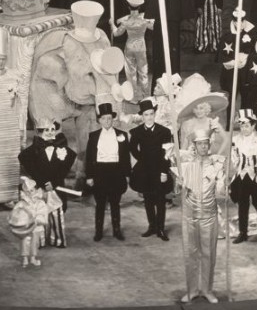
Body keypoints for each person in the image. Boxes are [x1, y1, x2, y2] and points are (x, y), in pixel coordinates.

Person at [172, 124, 226, 303]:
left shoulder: (216, 164)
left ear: (209, 144)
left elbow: (221, 192)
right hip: (190, 215)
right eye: (199, 144)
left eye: (205, 143)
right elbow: (178, 191)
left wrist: (224, 184)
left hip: (209, 216)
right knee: (190, 253)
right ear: (194, 145)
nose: (203, 146)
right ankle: (192, 289)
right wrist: (178, 184)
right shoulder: (186, 165)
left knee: (209, 253)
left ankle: (207, 290)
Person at [17, 119, 74, 247]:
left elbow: (64, 170)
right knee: (39, 213)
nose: (50, 132)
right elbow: (25, 160)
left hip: (56, 187)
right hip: (40, 187)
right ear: (41, 132)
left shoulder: (62, 148)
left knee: (56, 213)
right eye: (47, 130)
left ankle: (57, 238)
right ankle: (40, 240)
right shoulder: (35, 148)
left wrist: (53, 183)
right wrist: (42, 183)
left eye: (52, 130)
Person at [84, 103, 131, 241]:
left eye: (109, 118)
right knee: (100, 204)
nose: (107, 121)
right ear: (99, 120)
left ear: (113, 119)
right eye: (104, 118)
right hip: (99, 171)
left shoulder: (122, 135)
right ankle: (98, 231)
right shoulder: (93, 136)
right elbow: (89, 157)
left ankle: (117, 230)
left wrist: (127, 174)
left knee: (115, 203)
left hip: (116, 172)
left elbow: (126, 157)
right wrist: (89, 176)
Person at [128, 98, 174, 241]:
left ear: (155, 114)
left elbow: (167, 153)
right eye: (146, 115)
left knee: (160, 200)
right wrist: (142, 158)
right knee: (148, 199)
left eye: (151, 114)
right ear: (142, 116)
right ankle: (151, 226)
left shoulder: (165, 132)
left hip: (159, 169)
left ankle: (160, 228)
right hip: (145, 171)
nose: (149, 117)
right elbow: (132, 148)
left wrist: (164, 172)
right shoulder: (136, 132)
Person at [229, 109, 257, 246]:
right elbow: (233, 156)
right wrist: (239, 165)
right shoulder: (235, 140)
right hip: (242, 176)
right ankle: (243, 232)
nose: (244, 128)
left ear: (253, 126)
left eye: (246, 125)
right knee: (243, 204)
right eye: (241, 125)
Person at [112, 0, 155, 103]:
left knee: (131, 73)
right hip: (141, 47)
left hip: (130, 47)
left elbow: (116, 33)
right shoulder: (144, 19)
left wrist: (112, 24)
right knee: (143, 72)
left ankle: (133, 97)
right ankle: (145, 96)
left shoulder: (125, 21)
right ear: (140, 7)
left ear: (128, 7)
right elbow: (153, 26)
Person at [10, 176, 56, 268]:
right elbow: (16, 212)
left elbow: (43, 213)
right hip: (25, 227)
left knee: (35, 243)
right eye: (27, 191)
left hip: (36, 226)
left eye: (32, 191)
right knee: (24, 241)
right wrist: (21, 219)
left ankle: (33, 258)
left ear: (36, 190)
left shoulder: (40, 203)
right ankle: (25, 258)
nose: (30, 193)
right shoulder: (22, 203)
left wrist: (37, 219)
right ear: (24, 192)